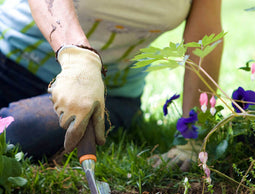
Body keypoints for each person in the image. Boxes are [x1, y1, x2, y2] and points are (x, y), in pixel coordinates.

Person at [0, 0, 223, 167]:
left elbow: (204, 38)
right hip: (11, 57)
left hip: (110, 93)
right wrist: (79, 59)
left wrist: (193, 137)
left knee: (15, 134)